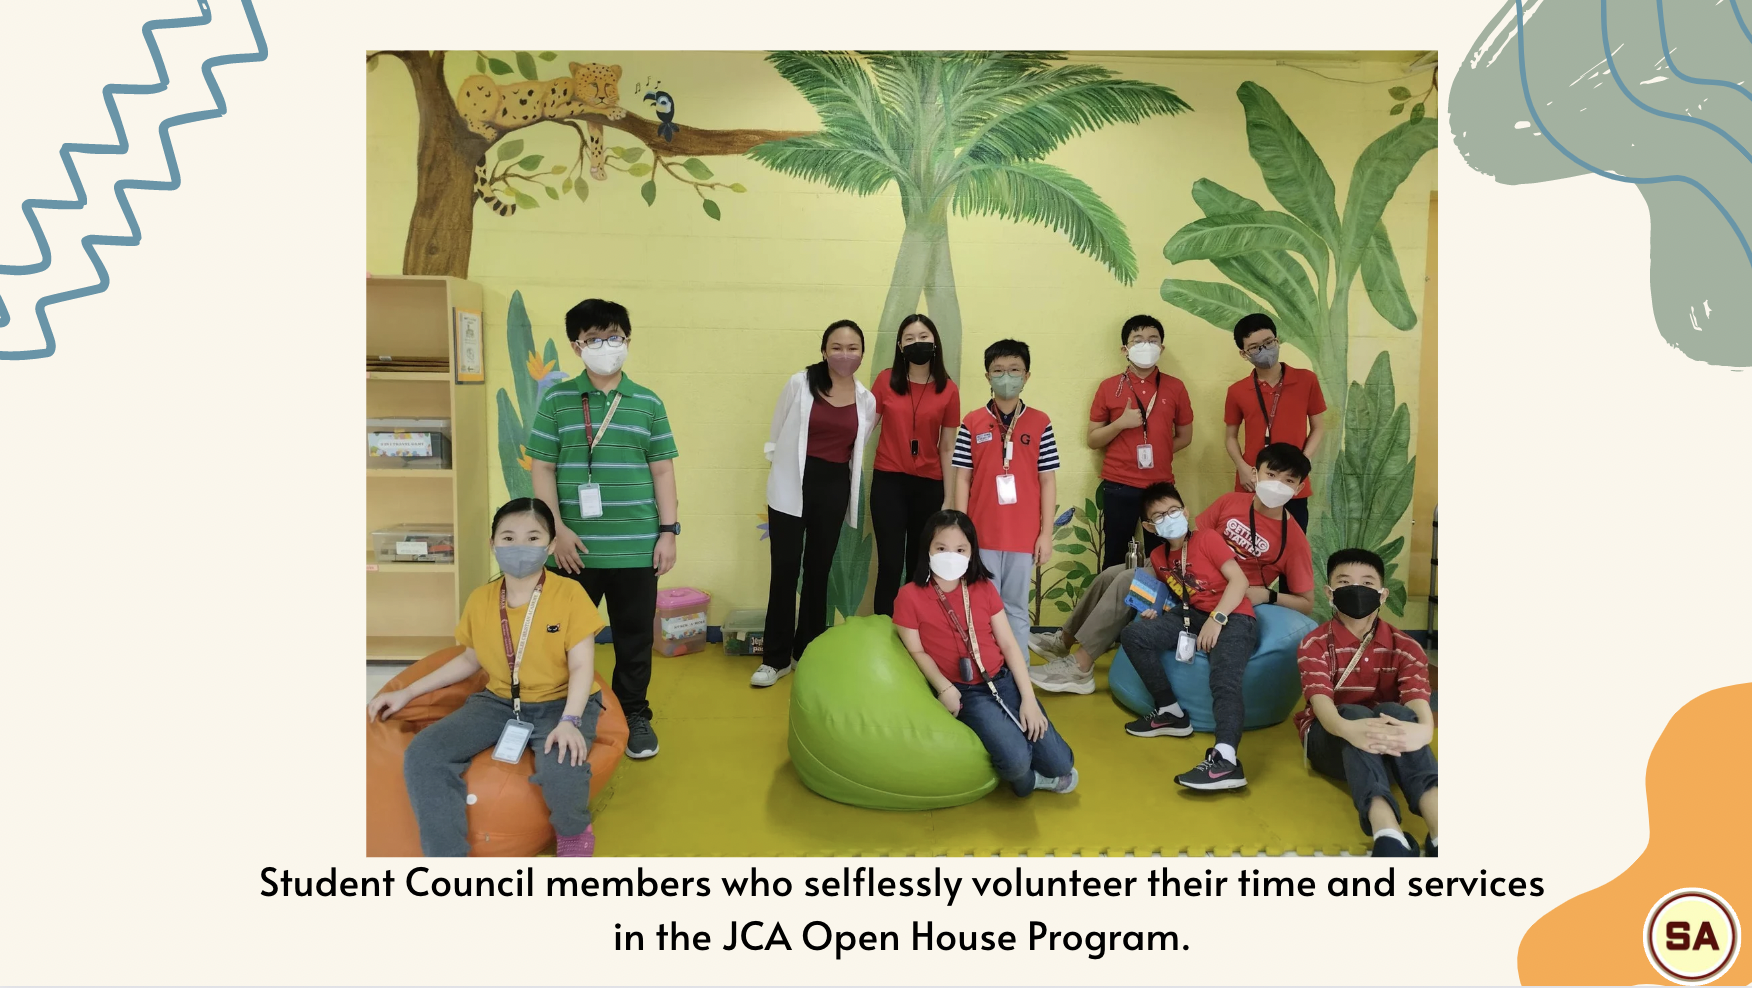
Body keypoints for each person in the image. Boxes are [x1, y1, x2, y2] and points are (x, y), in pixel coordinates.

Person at [369, 499, 607, 857]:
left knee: (562, 767)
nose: (520, 546)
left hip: (562, 701)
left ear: (551, 545)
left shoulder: (570, 595)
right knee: (425, 753)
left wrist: (570, 721)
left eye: (533, 537)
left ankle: (573, 832)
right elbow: (470, 659)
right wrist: (408, 692)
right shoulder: (481, 599)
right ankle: (447, 857)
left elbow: (581, 666)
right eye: (508, 538)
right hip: (499, 702)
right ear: (492, 544)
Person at [527, 298, 678, 762]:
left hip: (636, 546)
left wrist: (668, 532)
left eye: (614, 337)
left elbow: (662, 471)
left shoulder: (648, 402)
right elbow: (542, 468)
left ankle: (633, 714)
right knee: (564, 638)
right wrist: (556, 531)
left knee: (634, 640)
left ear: (627, 340)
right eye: (594, 339)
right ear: (577, 346)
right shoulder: (556, 400)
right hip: (574, 549)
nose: (606, 346)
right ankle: (561, 714)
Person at [892, 510, 1077, 797]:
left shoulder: (983, 587)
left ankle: (1030, 758)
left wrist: (1028, 699)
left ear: (971, 552)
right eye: (941, 548)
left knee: (1062, 764)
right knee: (1016, 764)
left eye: (960, 549)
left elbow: (1008, 645)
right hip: (966, 693)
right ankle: (1029, 780)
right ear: (927, 549)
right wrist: (944, 688)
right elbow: (915, 650)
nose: (951, 556)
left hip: (1002, 680)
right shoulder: (909, 595)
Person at [1105, 485, 1260, 792]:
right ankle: (1170, 712)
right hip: (1191, 615)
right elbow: (1180, 594)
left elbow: (1240, 581)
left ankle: (1226, 759)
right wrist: (1158, 609)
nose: (1169, 518)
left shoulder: (1207, 539)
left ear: (1186, 511)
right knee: (1134, 634)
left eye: (1174, 510)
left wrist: (1217, 619)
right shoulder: (1158, 555)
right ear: (1150, 526)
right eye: (1159, 516)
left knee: (1224, 679)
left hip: (1233, 616)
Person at [756, 319, 878, 687]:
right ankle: (774, 659)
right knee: (784, 571)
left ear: (862, 353)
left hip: (833, 486)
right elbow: (778, 432)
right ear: (824, 351)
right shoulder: (800, 383)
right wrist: (780, 471)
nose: (844, 354)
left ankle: (805, 650)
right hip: (791, 484)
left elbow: (857, 447)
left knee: (818, 571)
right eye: (836, 347)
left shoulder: (866, 400)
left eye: (852, 348)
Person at [1295, 548, 1438, 858]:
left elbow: (1416, 699)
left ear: (1382, 595)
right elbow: (1324, 708)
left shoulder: (1407, 647)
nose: (1356, 589)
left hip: (1391, 750)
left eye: (1368, 583)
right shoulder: (1314, 644)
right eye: (1344, 582)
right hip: (1331, 740)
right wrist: (1352, 729)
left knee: (1396, 712)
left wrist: (1425, 731)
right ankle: (1387, 832)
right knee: (1354, 712)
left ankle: (1440, 827)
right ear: (1329, 593)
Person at [952, 339, 1059, 648]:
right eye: (998, 370)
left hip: (1023, 536)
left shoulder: (1041, 422)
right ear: (988, 376)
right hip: (981, 534)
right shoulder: (971, 422)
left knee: (1015, 609)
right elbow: (962, 478)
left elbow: (1047, 481)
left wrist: (1046, 534)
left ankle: (1017, 669)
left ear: (1026, 376)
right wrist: (962, 532)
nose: (1006, 376)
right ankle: (986, 668)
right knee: (981, 607)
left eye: (1014, 370)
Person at [1086, 315, 1194, 569]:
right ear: (1125, 349)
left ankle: (1159, 597)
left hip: (1160, 486)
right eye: (1138, 340)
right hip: (1119, 484)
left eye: (1152, 340)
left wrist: (1160, 451)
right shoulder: (1109, 387)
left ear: (1161, 348)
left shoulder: (1175, 387)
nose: (1146, 345)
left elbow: (1185, 436)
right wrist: (1120, 424)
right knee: (1114, 557)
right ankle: (1115, 596)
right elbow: (1093, 440)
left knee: (1164, 556)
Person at [870, 314, 961, 616]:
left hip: (929, 486)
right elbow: (865, 428)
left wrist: (949, 497)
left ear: (935, 343)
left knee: (920, 564)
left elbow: (947, 446)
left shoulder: (948, 390)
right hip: (889, 483)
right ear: (900, 346)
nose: (917, 343)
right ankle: (883, 627)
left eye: (924, 337)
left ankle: (913, 629)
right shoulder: (885, 381)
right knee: (890, 563)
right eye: (909, 338)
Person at [1224, 313, 1326, 535]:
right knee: (1250, 547)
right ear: (1244, 353)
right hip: (1253, 482)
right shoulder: (1236, 391)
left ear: (1277, 341)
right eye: (1254, 347)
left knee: (1292, 545)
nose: (1264, 350)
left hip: (1292, 482)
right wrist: (1242, 467)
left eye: (1268, 342)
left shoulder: (1307, 380)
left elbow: (1319, 427)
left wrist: (1302, 462)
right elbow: (1230, 437)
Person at [1196, 442, 1317, 616]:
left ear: (1298, 489)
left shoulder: (1295, 541)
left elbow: (1306, 604)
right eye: (1271, 475)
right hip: (1197, 585)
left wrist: (1268, 596)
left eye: (1289, 481)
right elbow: (1195, 540)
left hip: (1238, 606)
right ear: (1255, 474)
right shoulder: (1228, 501)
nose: (1277, 485)